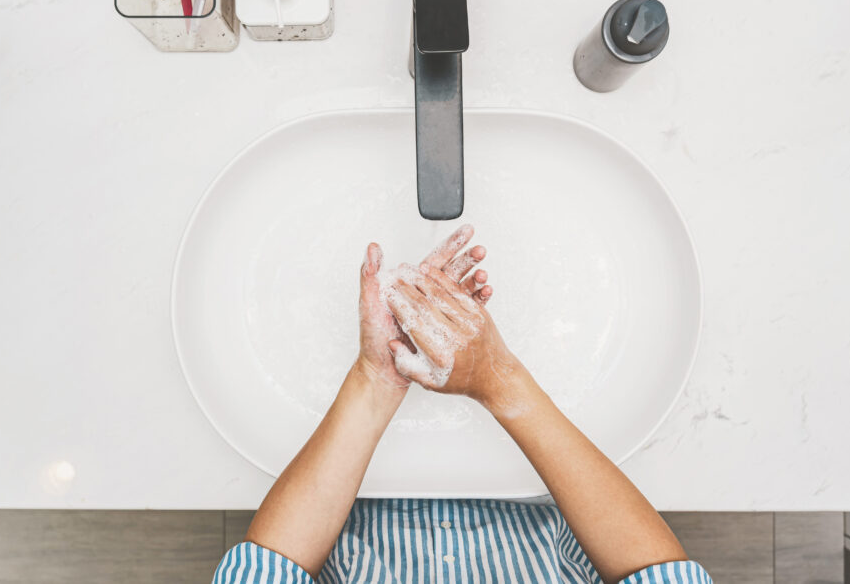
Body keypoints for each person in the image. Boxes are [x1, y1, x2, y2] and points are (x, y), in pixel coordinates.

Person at [212, 226, 711, 584]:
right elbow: (660, 575)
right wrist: (500, 380)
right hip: (544, 499)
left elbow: (268, 569)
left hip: (346, 499)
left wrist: (376, 380)